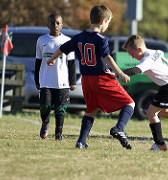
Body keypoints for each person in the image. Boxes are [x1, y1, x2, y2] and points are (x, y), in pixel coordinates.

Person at [47, 5, 135, 149]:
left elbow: (64, 47)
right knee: (130, 103)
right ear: (103, 21)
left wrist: (52, 58)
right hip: (101, 79)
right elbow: (106, 57)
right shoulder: (101, 39)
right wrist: (120, 72)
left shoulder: (79, 37)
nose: (107, 25)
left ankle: (81, 141)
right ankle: (119, 128)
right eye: (108, 22)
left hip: (86, 80)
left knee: (91, 110)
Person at [121, 35, 168, 151]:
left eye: (132, 54)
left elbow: (136, 70)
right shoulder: (155, 52)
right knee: (163, 112)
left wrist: (118, 73)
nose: (132, 57)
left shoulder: (147, 60)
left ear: (139, 50)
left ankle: (160, 144)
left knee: (151, 113)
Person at [34, 13, 76, 141]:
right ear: (48, 24)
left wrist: (72, 82)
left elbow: (71, 63)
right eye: (52, 23)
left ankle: (58, 133)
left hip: (62, 82)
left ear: (62, 25)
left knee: (60, 109)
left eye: (58, 23)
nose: (55, 25)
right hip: (46, 81)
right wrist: (37, 80)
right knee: (45, 107)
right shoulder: (42, 40)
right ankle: (45, 123)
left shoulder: (68, 41)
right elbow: (38, 61)